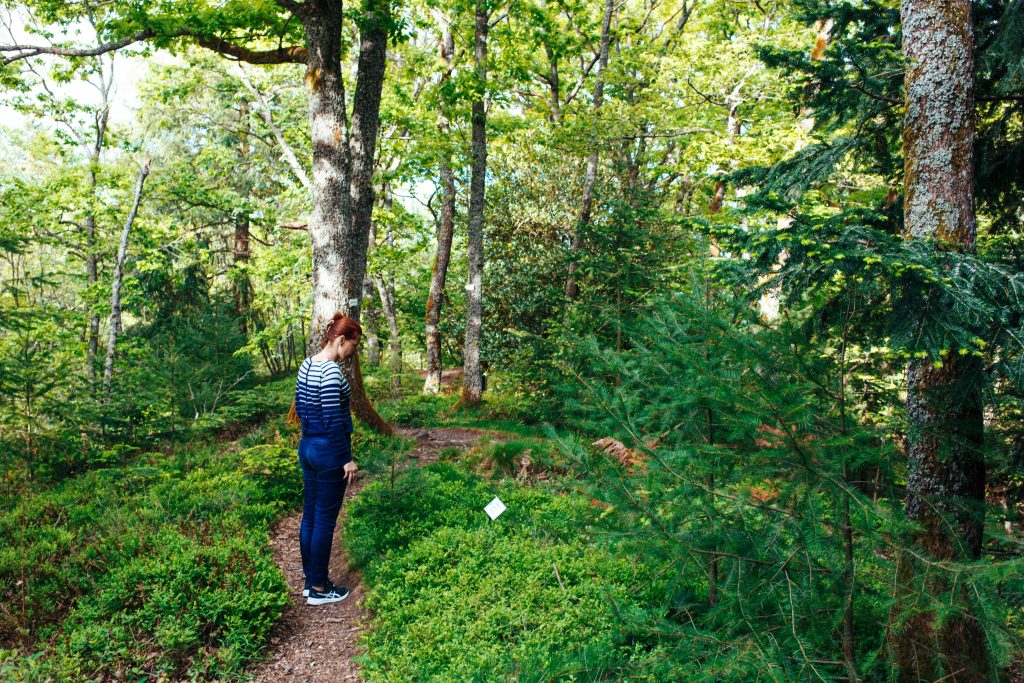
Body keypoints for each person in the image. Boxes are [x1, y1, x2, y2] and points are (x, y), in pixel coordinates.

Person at [292, 312, 361, 606]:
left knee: (310, 514)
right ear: (341, 340)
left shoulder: (307, 365)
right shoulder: (332, 373)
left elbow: (303, 407)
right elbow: (333, 418)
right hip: (328, 452)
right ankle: (320, 587)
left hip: (307, 447)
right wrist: (345, 458)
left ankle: (311, 581)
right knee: (323, 520)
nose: (351, 355)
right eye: (352, 348)